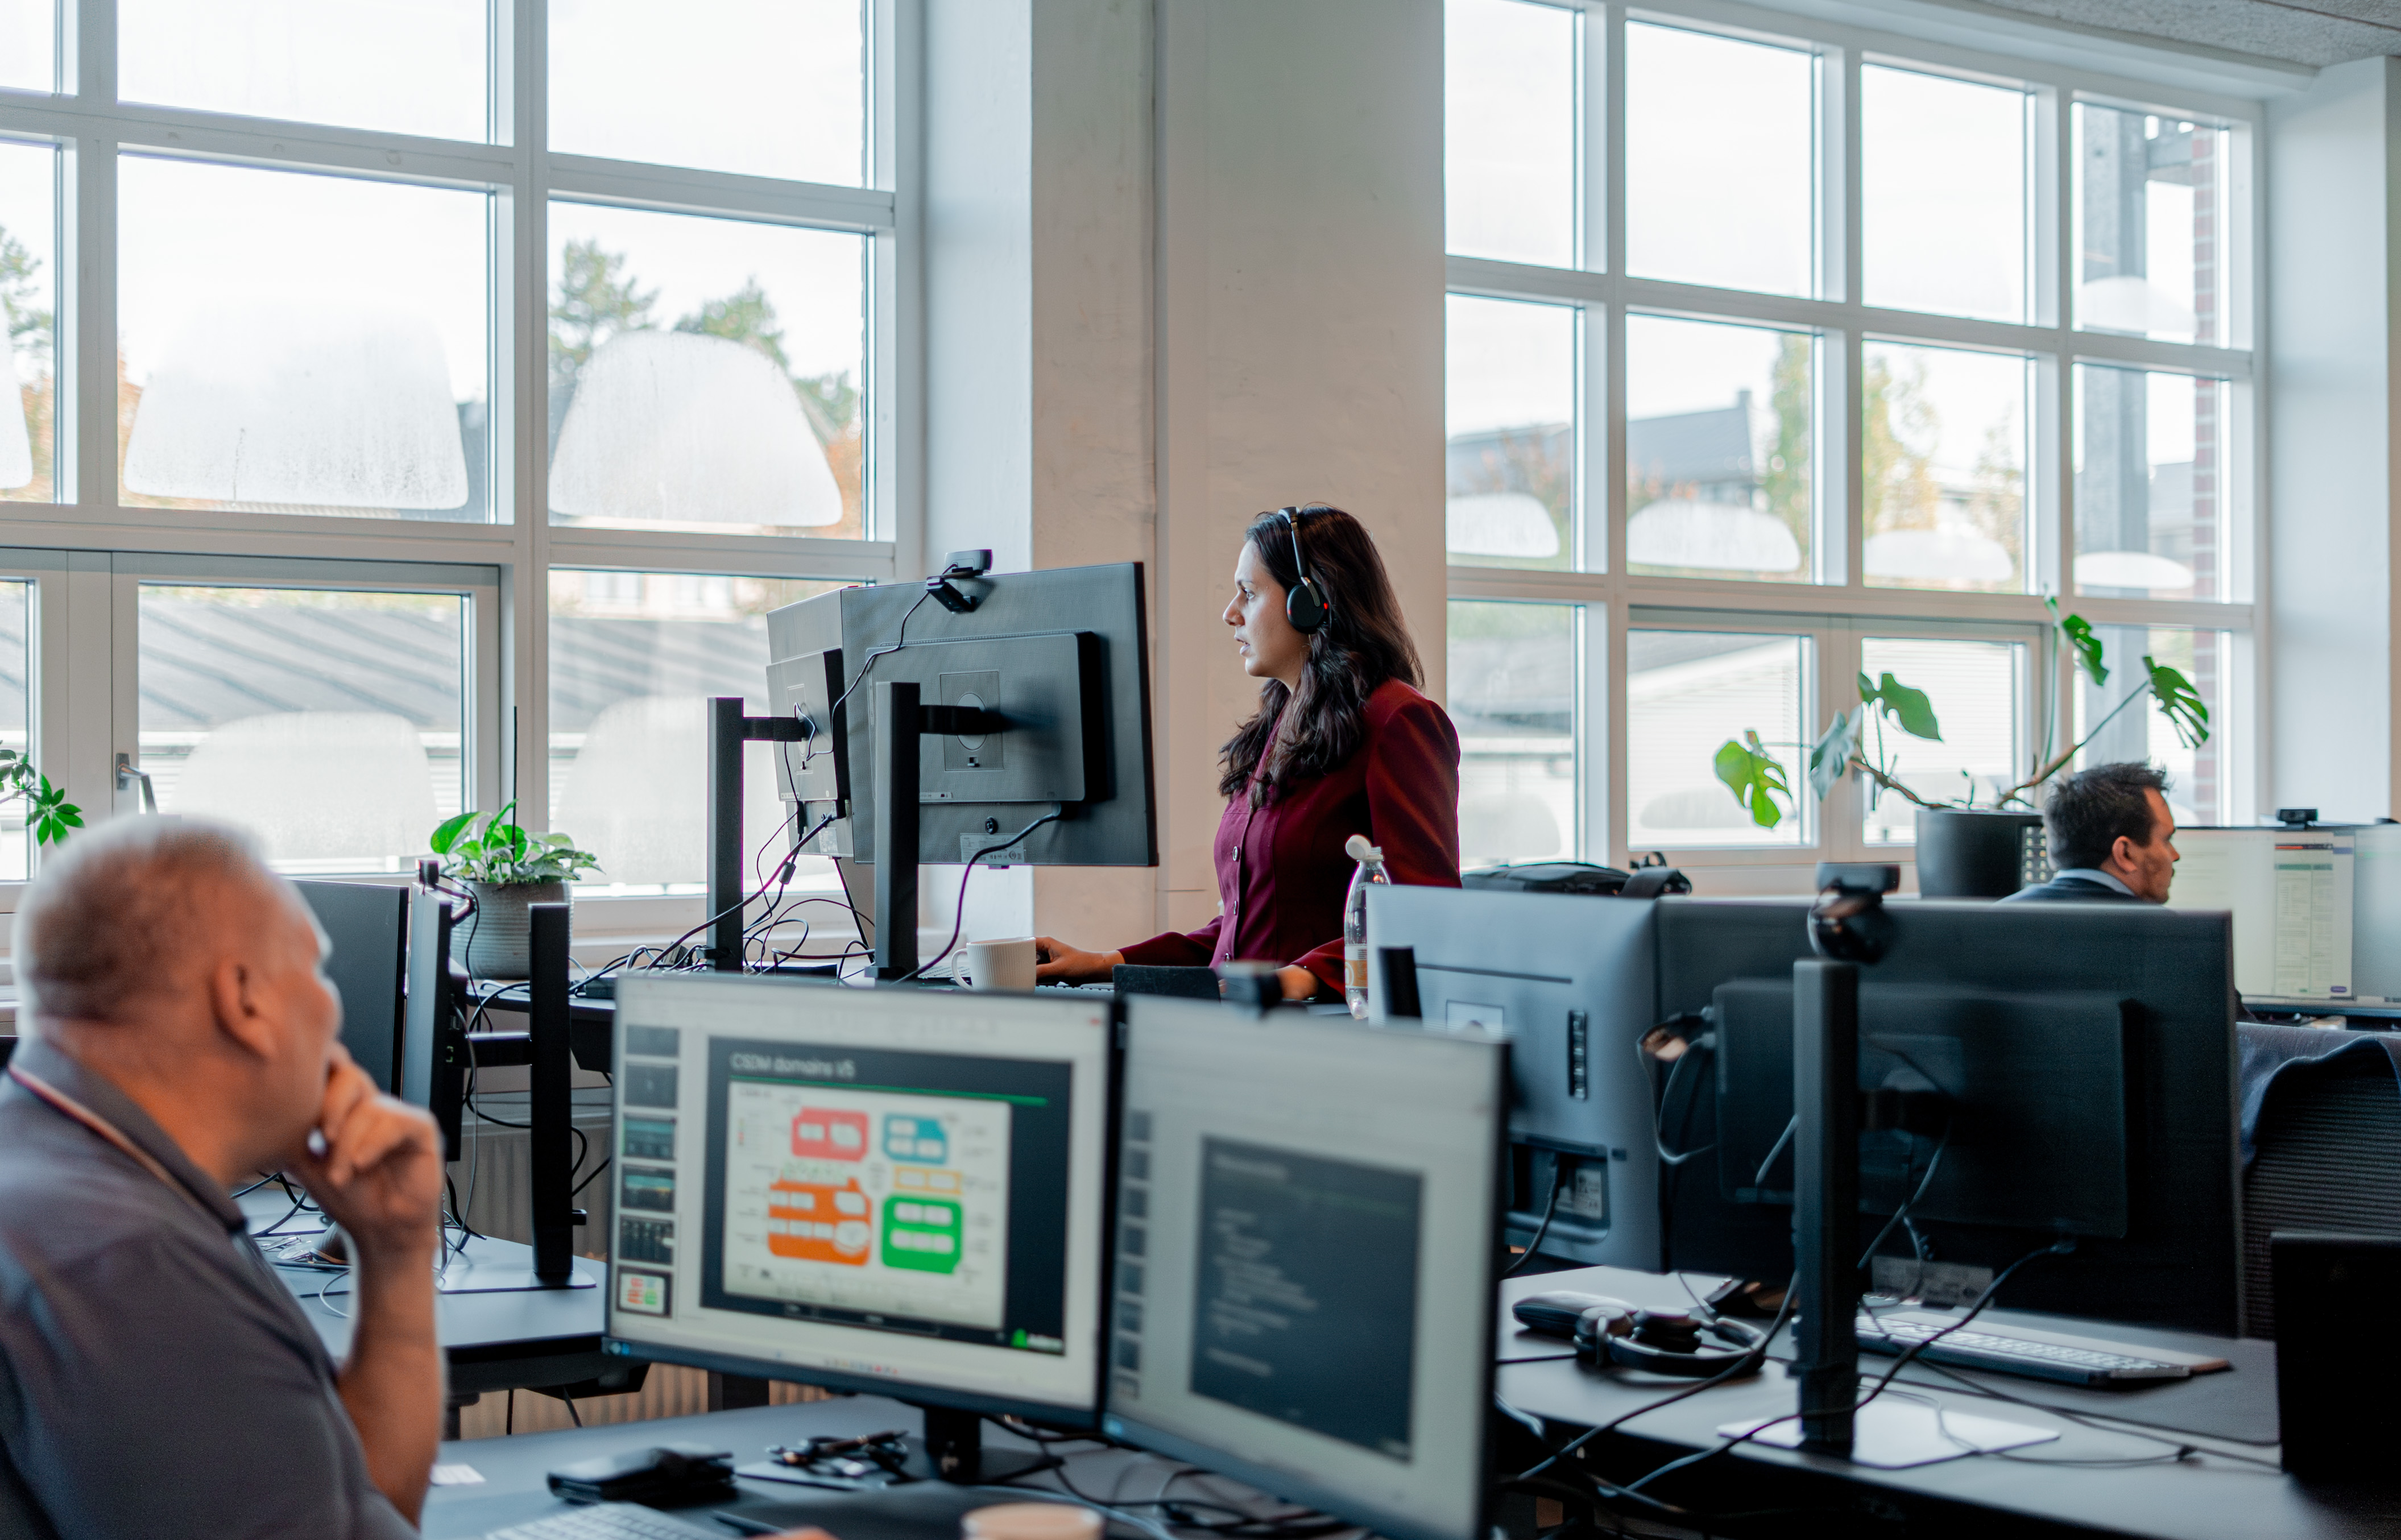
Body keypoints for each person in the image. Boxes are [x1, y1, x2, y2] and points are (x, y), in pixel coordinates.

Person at [0, 818, 445, 1537]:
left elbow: (355, 1509)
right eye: (316, 969)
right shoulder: (137, 1267)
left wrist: (395, 1254)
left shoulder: (61, 1170)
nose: (331, 1010)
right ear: (244, 998)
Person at [1036, 504, 1460, 999]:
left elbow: (1426, 909)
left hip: (1318, 1034)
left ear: (1311, 602)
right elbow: (1245, 940)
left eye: (1250, 593)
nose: (1230, 613)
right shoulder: (1279, 725)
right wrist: (1108, 962)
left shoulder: (1397, 720)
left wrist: (1297, 979)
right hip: (1239, 1018)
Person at [2001, 761, 2179, 904]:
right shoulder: (2176, 936)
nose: (2175, 855)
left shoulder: (1989, 923)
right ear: (2125, 853)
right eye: (2166, 840)